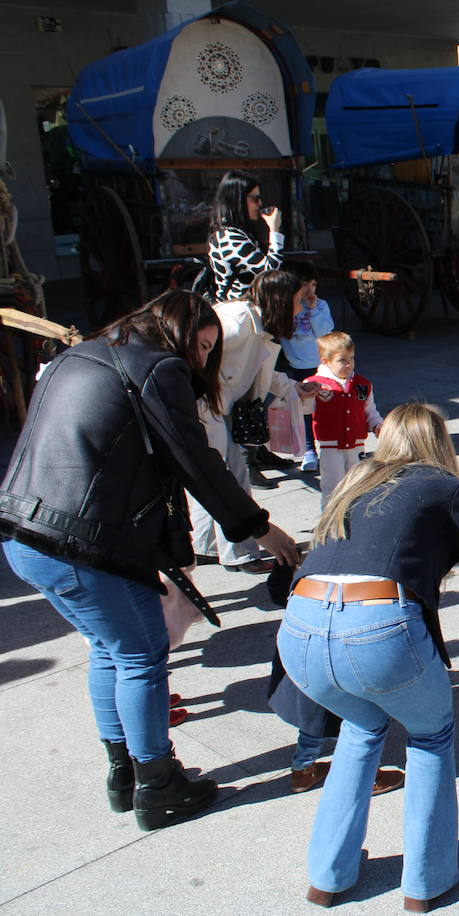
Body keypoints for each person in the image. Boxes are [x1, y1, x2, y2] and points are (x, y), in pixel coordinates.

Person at [0, 290, 298, 831]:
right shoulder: (157, 368)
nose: (205, 360)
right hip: (77, 544)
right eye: (203, 346)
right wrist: (258, 527)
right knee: (141, 654)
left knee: (108, 649)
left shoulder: (82, 353)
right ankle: (159, 786)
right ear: (179, 333)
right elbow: (195, 461)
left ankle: (123, 774)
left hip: (23, 534)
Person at [280, 401, 459, 911]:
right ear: (439, 443)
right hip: (375, 625)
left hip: (300, 626)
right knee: (430, 735)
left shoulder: (352, 480)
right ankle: (426, 881)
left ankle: (328, 875)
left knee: (361, 729)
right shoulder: (445, 488)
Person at [191, 270, 317, 572]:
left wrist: (292, 387)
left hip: (218, 409)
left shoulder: (256, 324)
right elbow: (199, 362)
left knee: (216, 477)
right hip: (207, 408)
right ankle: (241, 553)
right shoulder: (235, 323)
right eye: (299, 300)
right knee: (231, 478)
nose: (303, 307)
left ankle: (206, 545)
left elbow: (258, 370)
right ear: (282, 301)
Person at [306, 331, 383, 506]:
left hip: (356, 444)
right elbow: (303, 409)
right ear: (326, 361)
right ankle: (330, 524)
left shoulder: (362, 384)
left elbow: (369, 409)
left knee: (358, 484)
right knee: (333, 487)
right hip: (330, 444)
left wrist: (378, 424)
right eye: (342, 360)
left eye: (352, 358)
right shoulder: (315, 384)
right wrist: (303, 395)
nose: (349, 364)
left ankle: (352, 520)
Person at [278, 260, 334, 473]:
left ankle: (331, 446)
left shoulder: (321, 306)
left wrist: (312, 311)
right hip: (299, 367)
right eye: (304, 285)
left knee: (326, 406)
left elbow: (324, 332)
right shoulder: (288, 307)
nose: (310, 290)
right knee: (305, 410)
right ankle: (309, 450)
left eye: (313, 284)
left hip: (322, 366)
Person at [207, 169, 283, 302]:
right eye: (255, 198)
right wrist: (274, 230)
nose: (260, 204)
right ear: (238, 199)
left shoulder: (238, 232)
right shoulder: (229, 238)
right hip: (238, 313)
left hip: (246, 310)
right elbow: (269, 271)